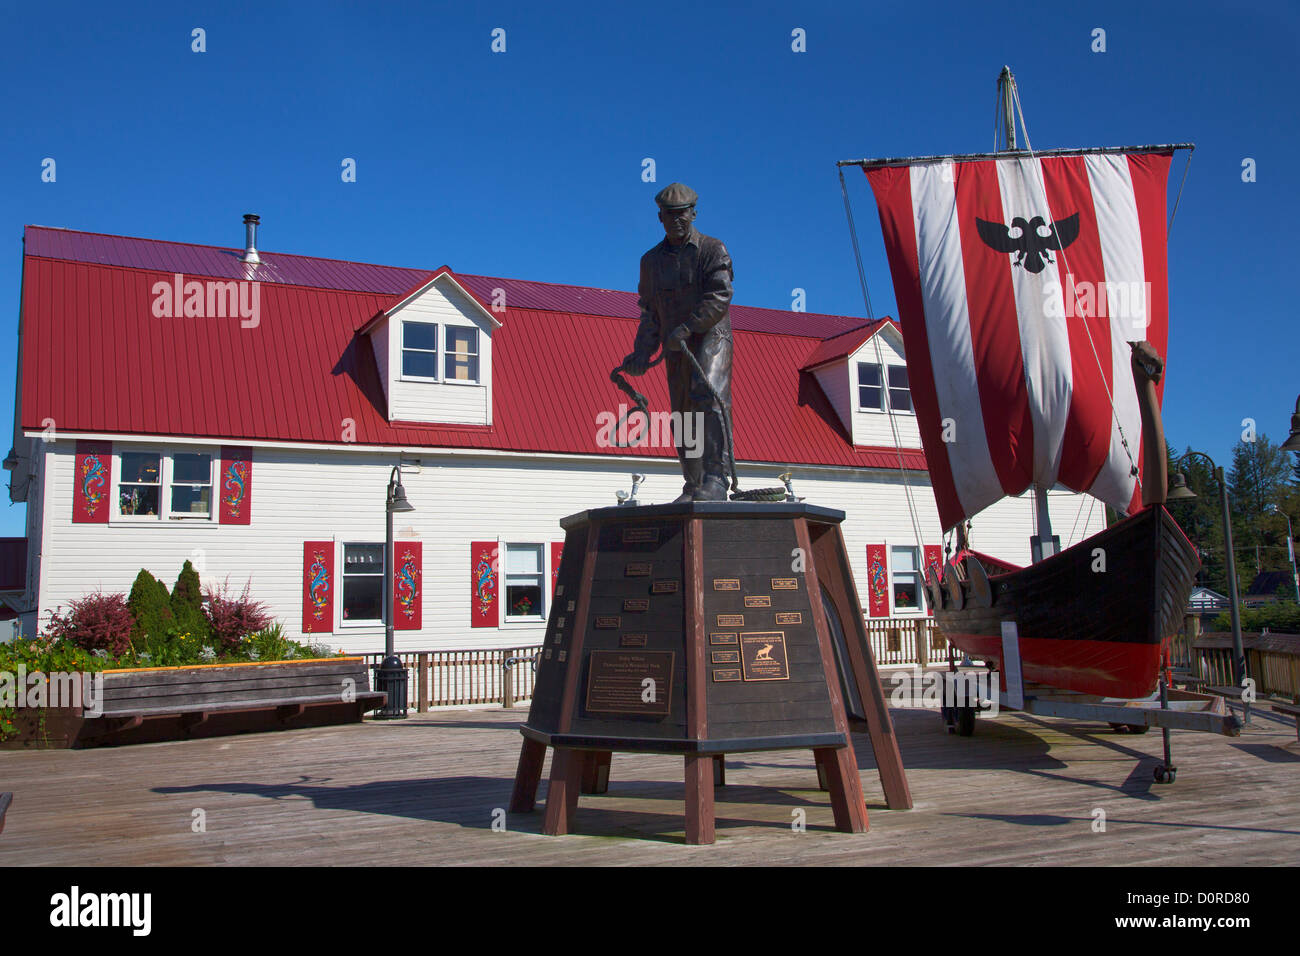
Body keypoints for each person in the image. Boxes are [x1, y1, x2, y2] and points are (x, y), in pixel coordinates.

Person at [621, 183, 735, 502]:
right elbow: (649, 312)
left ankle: (716, 478)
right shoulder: (651, 262)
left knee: (708, 398)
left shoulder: (713, 249)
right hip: (676, 345)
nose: (677, 221)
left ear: (694, 213)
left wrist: (687, 327)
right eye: (670, 215)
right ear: (660, 218)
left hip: (710, 337)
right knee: (683, 411)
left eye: (682, 214)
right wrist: (642, 353)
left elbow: (720, 295)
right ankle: (694, 482)